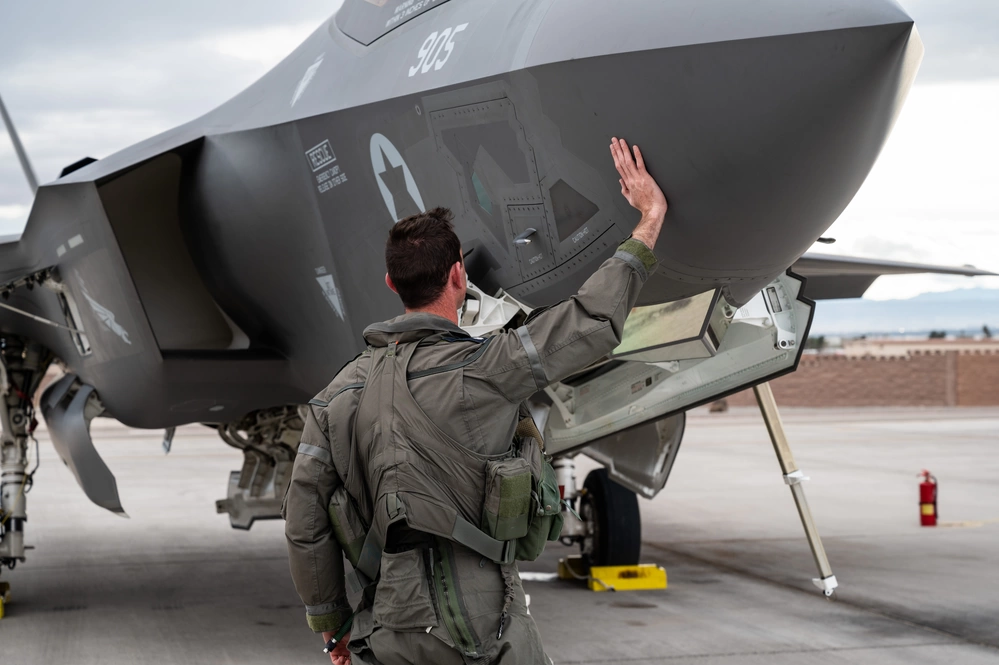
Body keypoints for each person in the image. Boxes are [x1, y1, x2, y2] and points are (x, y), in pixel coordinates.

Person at [284, 138, 668, 664]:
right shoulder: (492, 366)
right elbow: (592, 319)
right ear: (459, 276)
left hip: (390, 623)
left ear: (392, 283)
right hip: (485, 624)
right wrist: (649, 220)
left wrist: (332, 624)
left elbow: (304, 520)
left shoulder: (335, 397)